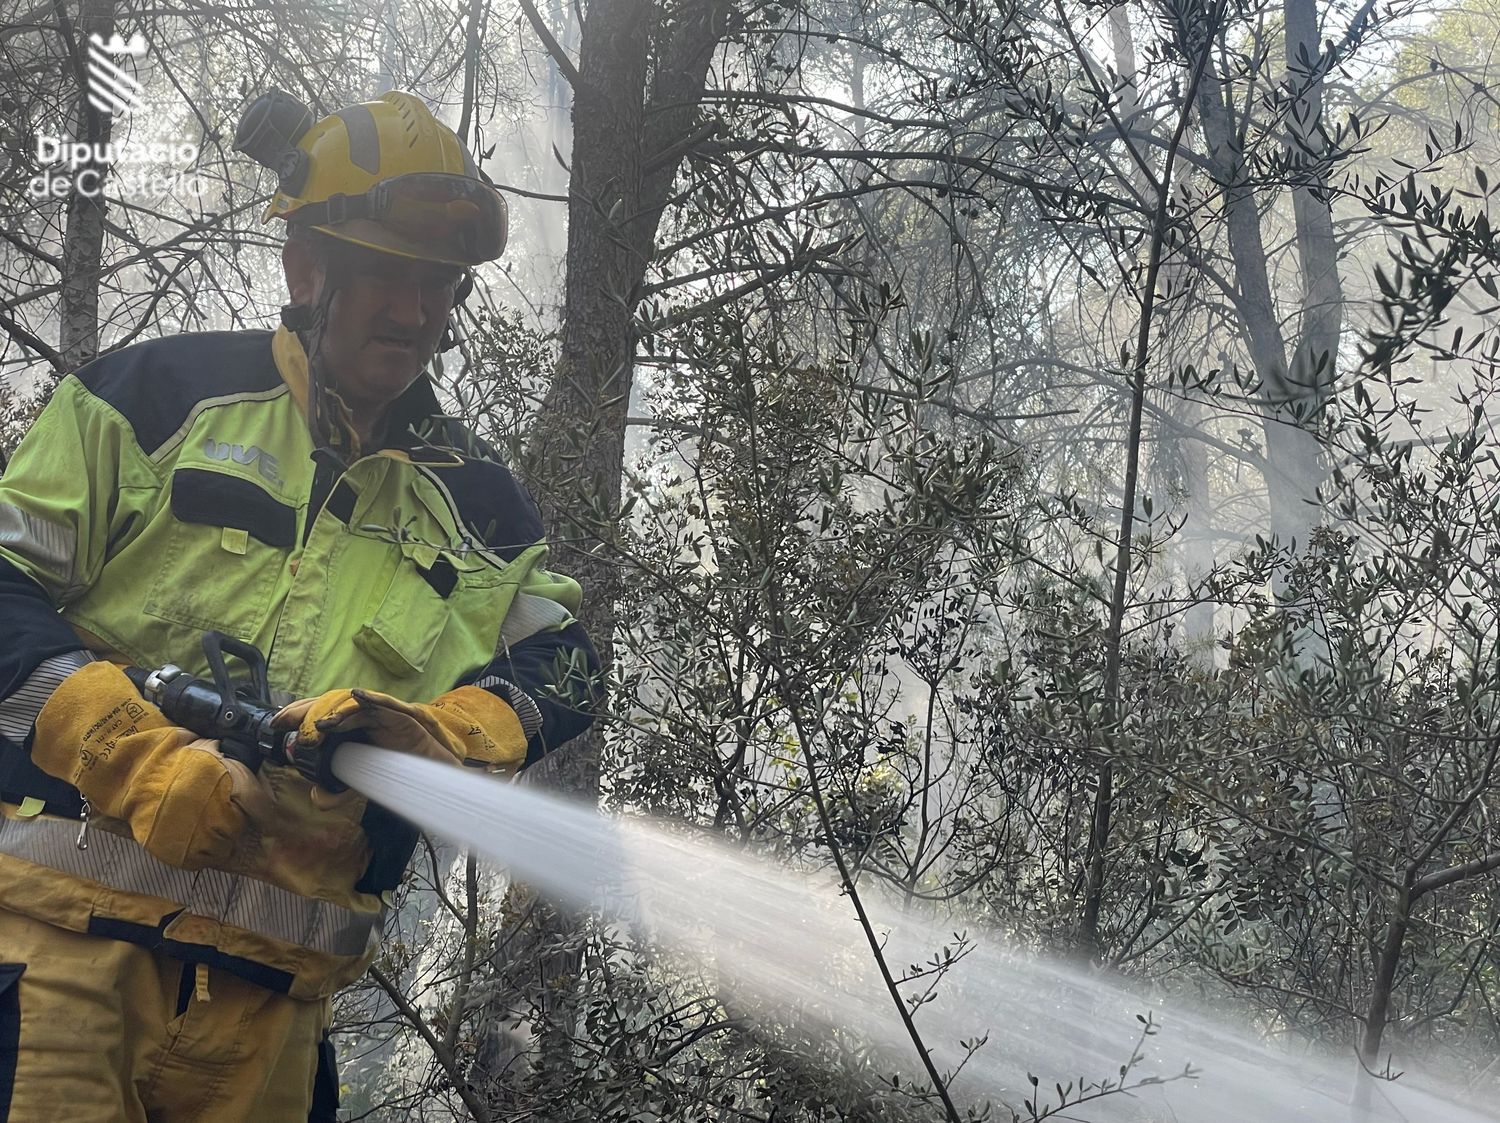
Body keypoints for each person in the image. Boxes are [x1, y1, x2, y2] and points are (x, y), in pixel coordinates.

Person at [0, 90, 602, 1121]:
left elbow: (571, 666)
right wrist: (126, 747)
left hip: (275, 1019)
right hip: (64, 967)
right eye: (387, 277)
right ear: (305, 267)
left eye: (439, 288)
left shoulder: (480, 508)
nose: (416, 314)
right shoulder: (151, 398)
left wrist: (440, 729)